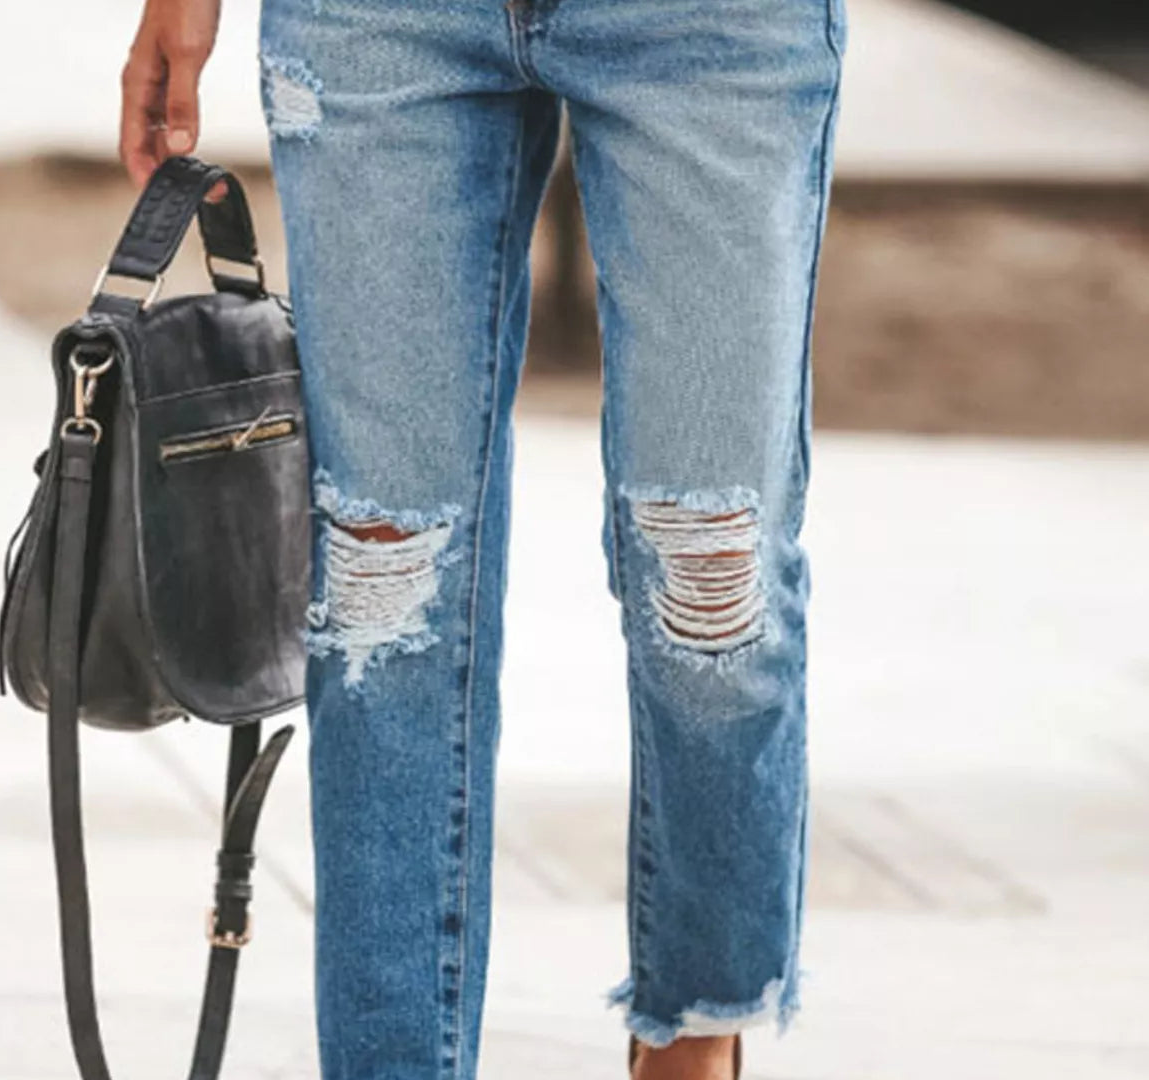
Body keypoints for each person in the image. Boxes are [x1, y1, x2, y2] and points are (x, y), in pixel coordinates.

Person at [119, 0, 845, 1075]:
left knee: (708, 573)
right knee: (382, 592)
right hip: (380, 22)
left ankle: (696, 1033)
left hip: (707, 27)